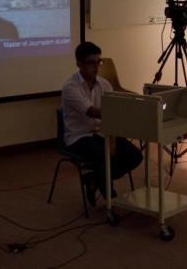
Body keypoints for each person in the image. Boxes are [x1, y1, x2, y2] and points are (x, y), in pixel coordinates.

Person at [61, 42, 143, 205]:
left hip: (101, 132)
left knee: (135, 156)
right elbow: (92, 111)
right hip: (79, 136)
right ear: (79, 64)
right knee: (102, 155)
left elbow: (112, 111)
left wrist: (114, 136)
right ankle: (109, 198)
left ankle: (96, 178)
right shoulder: (70, 87)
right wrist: (125, 112)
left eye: (99, 62)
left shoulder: (104, 84)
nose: (96, 67)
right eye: (91, 63)